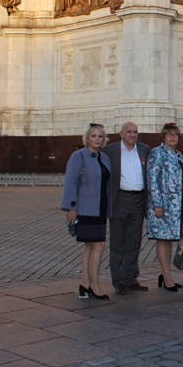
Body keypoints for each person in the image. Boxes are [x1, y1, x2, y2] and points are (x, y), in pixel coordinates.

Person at [61, 123, 113, 299]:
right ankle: (94, 285)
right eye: (94, 136)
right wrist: (71, 207)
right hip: (85, 208)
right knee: (98, 245)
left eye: (100, 136)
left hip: (100, 208)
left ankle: (85, 284)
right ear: (87, 138)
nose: (97, 139)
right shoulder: (78, 156)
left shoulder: (104, 158)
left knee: (91, 246)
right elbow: (71, 182)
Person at [104, 122, 151, 294]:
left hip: (138, 199)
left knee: (134, 241)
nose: (132, 134)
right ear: (121, 134)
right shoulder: (110, 151)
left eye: (135, 132)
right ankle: (119, 281)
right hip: (120, 199)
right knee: (118, 242)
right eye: (129, 132)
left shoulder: (144, 149)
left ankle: (131, 278)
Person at [147, 122, 183, 292]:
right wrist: (157, 204)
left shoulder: (178, 155)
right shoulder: (157, 153)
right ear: (163, 137)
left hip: (176, 207)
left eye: (175, 135)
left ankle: (166, 275)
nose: (172, 137)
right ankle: (167, 276)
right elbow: (152, 179)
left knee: (169, 239)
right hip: (162, 206)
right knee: (162, 239)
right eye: (169, 134)